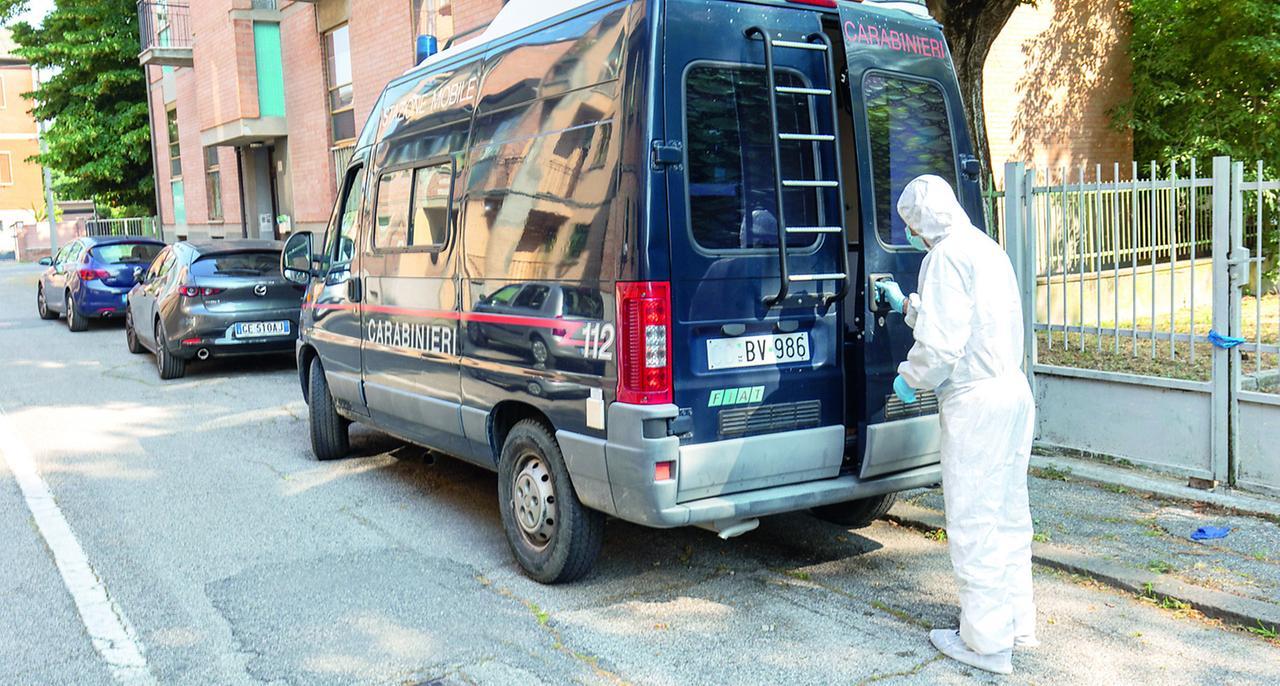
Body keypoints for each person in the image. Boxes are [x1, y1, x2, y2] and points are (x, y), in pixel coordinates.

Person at [874, 175, 1037, 676]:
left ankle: (986, 644)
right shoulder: (985, 249)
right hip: (1011, 390)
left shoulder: (943, 259)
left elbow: (943, 347)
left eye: (910, 226)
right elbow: (966, 321)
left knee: (974, 520)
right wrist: (908, 306)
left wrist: (908, 378)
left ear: (922, 222)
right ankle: (1015, 623)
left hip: (976, 403)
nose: (912, 235)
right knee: (1008, 513)